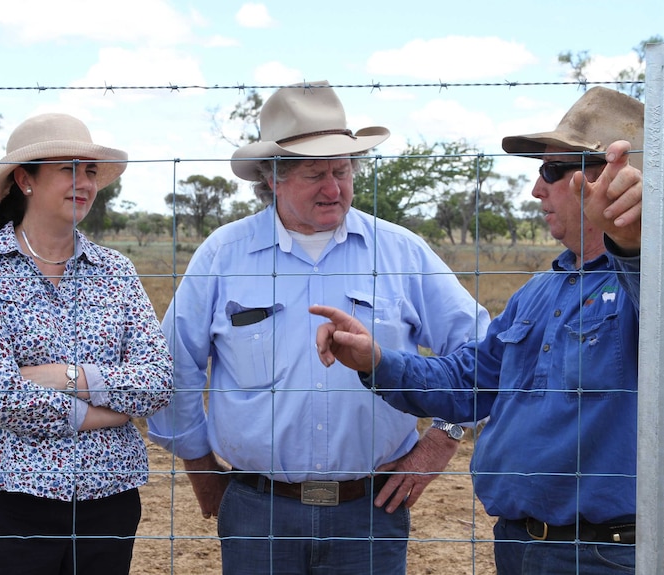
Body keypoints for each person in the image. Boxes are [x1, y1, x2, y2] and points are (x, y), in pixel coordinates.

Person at [310, 87, 664, 575]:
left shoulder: (660, 281)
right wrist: (378, 362)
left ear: (607, 178)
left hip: (608, 557)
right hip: (519, 546)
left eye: (551, 171)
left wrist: (641, 238)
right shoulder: (540, 290)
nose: (536, 189)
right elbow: (469, 382)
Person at [147, 80, 490, 574]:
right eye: (315, 174)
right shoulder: (225, 255)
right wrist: (200, 467)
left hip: (371, 511)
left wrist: (443, 438)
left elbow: (482, 351)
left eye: (343, 171)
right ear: (272, 177)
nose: (334, 188)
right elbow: (174, 365)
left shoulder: (401, 252)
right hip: (256, 509)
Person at [0, 113, 173, 575]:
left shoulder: (116, 271)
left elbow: (158, 381)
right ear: (24, 180)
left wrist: (68, 377)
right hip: (3, 500)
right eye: (68, 169)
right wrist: (107, 411)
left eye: (89, 171)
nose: (84, 183)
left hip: (106, 503)